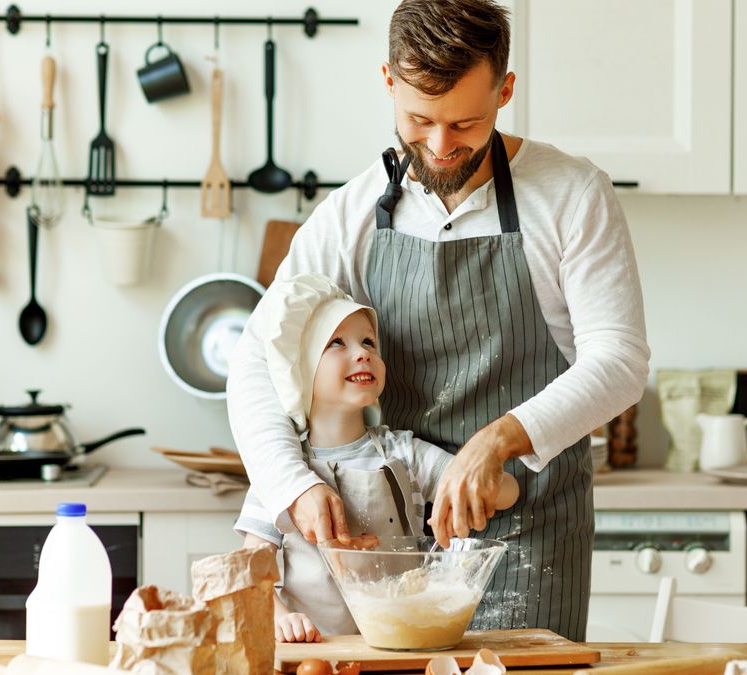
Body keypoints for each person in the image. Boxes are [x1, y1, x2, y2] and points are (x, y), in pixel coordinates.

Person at [227, 0, 650, 641]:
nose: (440, 145)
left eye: (466, 123)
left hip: (527, 539)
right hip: (394, 556)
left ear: (505, 90)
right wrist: (292, 486)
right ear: (389, 82)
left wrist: (499, 439)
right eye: (418, 120)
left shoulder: (571, 194)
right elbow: (258, 355)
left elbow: (619, 361)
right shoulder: (352, 214)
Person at [234, 274, 518, 642]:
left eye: (368, 341)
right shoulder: (281, 470)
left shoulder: (403, 452)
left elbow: (501, 492)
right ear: (301, 371)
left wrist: (488, 472)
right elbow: (250, 567)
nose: (362, 352)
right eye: (336, 343)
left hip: (400, 641)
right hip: (314, 648)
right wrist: (280, 617)